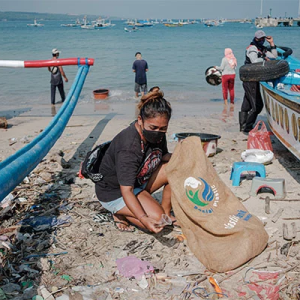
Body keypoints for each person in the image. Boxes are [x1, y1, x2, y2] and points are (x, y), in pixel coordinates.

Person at [95, 90, 173, 233]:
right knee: (157, 222)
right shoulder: (129, 147)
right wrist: (143, 218)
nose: (158, 132)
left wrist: (183, 157)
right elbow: (127, 190)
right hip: (115, 192)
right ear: (140, 120)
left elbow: (162, 156)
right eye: (153, 128)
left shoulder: (158, 135)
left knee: (175, 168)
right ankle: (119, 213)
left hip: (138, 181)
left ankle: (167, 213)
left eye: (163, 128)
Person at [239, 30, 277, 133]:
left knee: (247, 103)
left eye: (262, 39)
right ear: (255, 39)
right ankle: (248, 126)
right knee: (257, 106)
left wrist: (272, 44)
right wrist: (264, 59)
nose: (261, 40)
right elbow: (254, 61)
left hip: (253, 78)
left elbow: (274, 56)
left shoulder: (262, 49)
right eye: (259, 39)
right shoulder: (252, 48)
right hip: (250, 78)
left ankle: (243, 126)